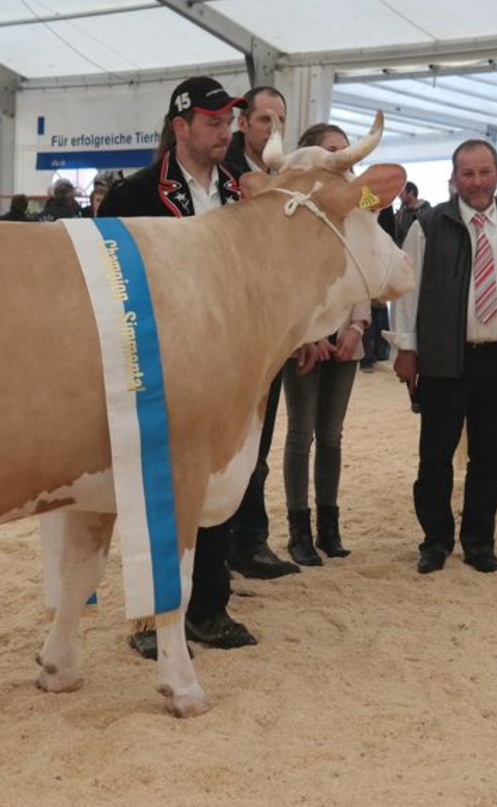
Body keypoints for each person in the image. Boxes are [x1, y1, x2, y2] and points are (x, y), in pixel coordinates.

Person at [100, 75, 257, 658]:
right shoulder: (134, 195)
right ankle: (148, 618)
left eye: (229, 122)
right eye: (215, 122)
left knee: (218, 482)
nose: (226, 131)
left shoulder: (243, 191)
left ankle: (209, 609)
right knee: (155, 490)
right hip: (156, 363)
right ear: (181, 126)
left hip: (227, 363)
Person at [387, 139, 497, 575]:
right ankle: (435, 541)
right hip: (444, 358)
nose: (477, 182)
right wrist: (406, 347)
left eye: (484, 172)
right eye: (468, 174)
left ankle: (479, 542)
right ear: (454, 179)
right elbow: (408, 289)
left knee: (489, 458)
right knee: (436, 457)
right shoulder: (427, 225)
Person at [279, 123, 372, 566]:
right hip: (306, 340)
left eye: (344, 150)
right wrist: (310, 335)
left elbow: (366, 267)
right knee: (300, 434)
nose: (342, 158)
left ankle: (328, 527)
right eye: (331, 151)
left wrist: (357, 327)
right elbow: (291, 278)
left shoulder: (360, 203)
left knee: (331, 435)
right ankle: (298, 529)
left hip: (347, 337)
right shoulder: (294, 209)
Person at [217, 85, 300, 581]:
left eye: (280, 120)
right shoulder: (224, 178)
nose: (273, 128)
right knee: (226, 445)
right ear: (243, 124)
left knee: (260, 444)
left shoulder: (287, 179)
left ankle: (249, 543)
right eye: (264, 119)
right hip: (226, 329)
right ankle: (225, 547)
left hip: (270, 331)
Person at [394, 182, 431, 246]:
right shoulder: (401, 213)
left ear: (411, 192)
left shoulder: (426, 211)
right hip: (404, 252)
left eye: (402, 192)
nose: (399, 195)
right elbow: (398, 236)